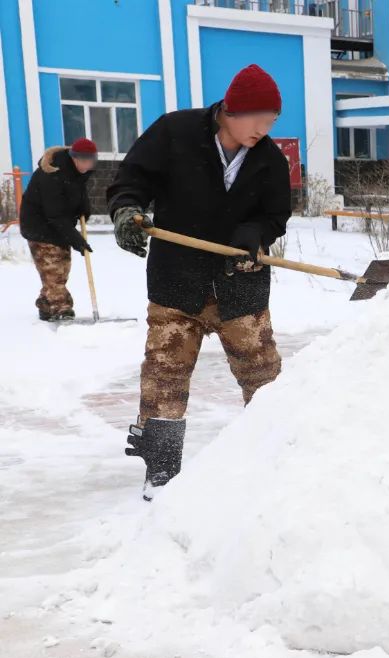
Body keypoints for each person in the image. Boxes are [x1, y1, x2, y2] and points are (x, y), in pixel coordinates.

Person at [107, 64, 291, 500]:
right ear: (231, 110)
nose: (264, 130)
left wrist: (255, 235)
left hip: (240, 286)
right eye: (258, 119)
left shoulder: (269, 159)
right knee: (164, 377)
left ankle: (278, 462)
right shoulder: (175, 132)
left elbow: (275, 215)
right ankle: (161, 474)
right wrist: (127, 212)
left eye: (272, 121)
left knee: (265, 379)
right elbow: (131, 180)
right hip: (177, 282)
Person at [19, 138, 97, 321]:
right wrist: (77, 239)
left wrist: (84, 207)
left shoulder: (78, 171)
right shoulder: (51, 174)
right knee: (54, 271)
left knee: (62, 268)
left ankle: (46, 304)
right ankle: (61, 309)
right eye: (84, 161)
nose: (87, 165)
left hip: (59, 226)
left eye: (91, 161)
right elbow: (54, 214)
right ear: (74, 157)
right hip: (40, 227)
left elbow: (76, 193)